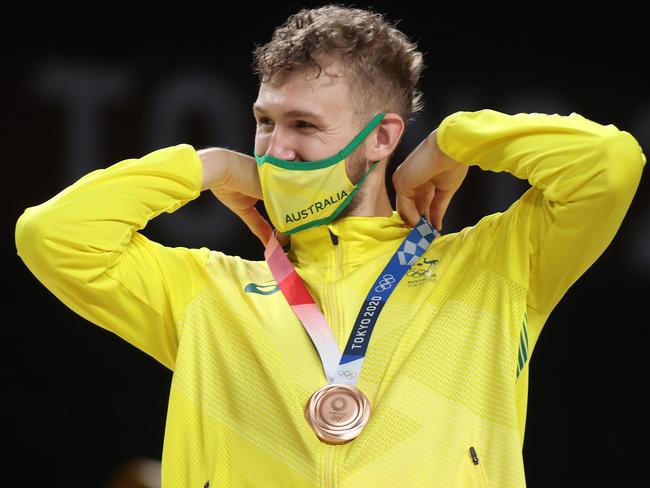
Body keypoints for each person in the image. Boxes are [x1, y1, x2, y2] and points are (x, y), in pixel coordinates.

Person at [14, 4, 645, 487]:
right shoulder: (208, 294)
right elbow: (53, 236)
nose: (275, 148)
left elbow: (610, 164)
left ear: (380, 138)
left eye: (304, 125)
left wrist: (459, 139)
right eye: (265, 121)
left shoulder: (494, 267)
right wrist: (203, 167)